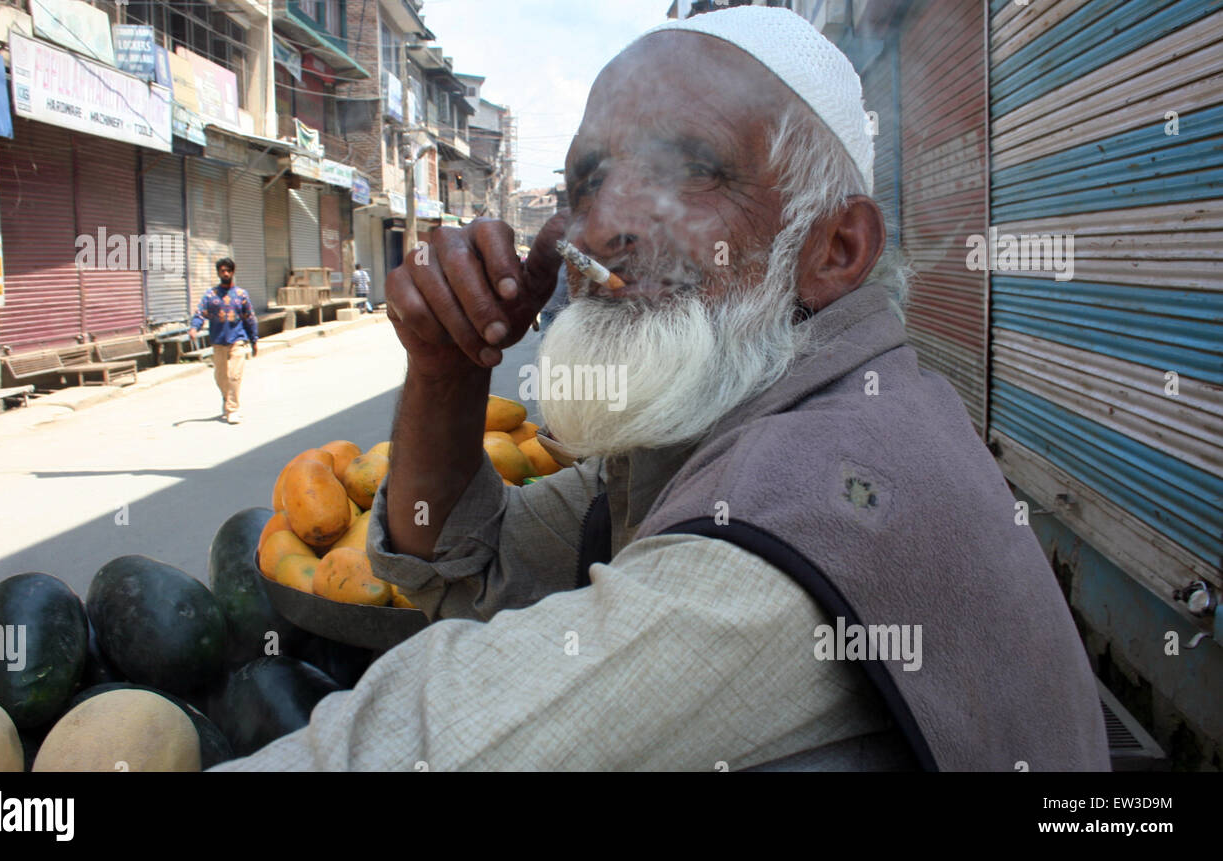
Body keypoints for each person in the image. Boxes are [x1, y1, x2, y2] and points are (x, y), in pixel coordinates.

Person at [214, 7, 1107, 771]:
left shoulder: (806, 506)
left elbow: (418, 746)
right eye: (590, 180)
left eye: (693, 170)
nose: (602, 226)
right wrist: (447, 374)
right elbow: (462, 562)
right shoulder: (727, 416)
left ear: (836, 250)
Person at [189, 258, 258, 424]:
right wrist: (194, 328)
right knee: (221, 377)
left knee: (234, 375)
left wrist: (254, 339)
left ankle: (232, 409)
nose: (225, 273)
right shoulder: (211, 295)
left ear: (233, 272)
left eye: (228, 270)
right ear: (218, 273)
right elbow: (200, 313)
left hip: (237, 340)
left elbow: (250, 318)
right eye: (222, 271)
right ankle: (227, 399)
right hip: (218, 341)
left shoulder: (241, 295)